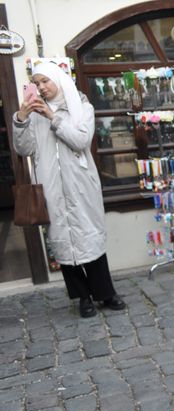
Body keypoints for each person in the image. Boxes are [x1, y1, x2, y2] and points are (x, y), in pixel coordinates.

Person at [12, 62, 125, 318]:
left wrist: (53, 118)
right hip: (50, 187)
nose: (41, 87)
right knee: (63, 242)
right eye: (37, 82)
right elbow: (24, 149)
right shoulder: (32, 114)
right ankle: (83, 297)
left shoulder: (81, 107)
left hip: (80, 185)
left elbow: (81, 140)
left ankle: (106, 293)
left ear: (59, 81)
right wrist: (21, 118)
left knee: (90, 238)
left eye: (45, 81)